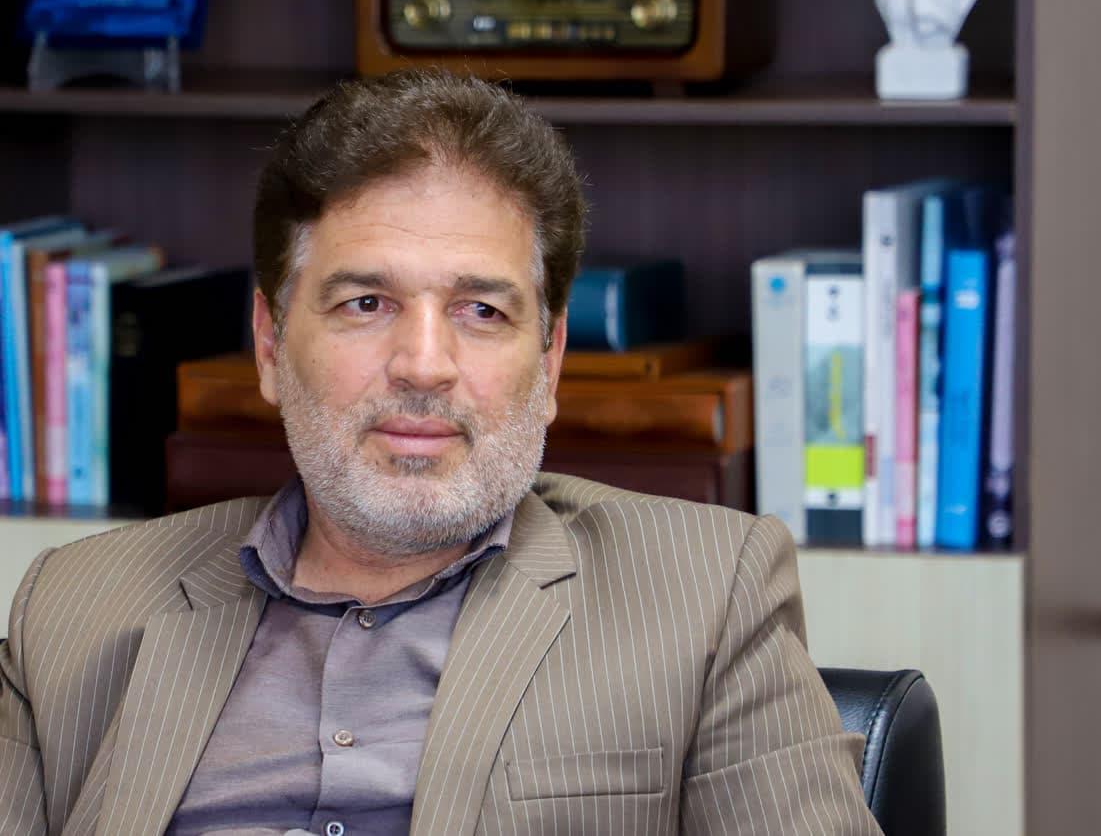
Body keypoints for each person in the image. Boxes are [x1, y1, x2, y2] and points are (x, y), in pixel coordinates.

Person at [0, 70, 880, 836]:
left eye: (481, 311)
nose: (424, 365)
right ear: (269, 343)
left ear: (550, 359)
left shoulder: (705, 594)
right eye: (366, 303)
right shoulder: (74, 610)